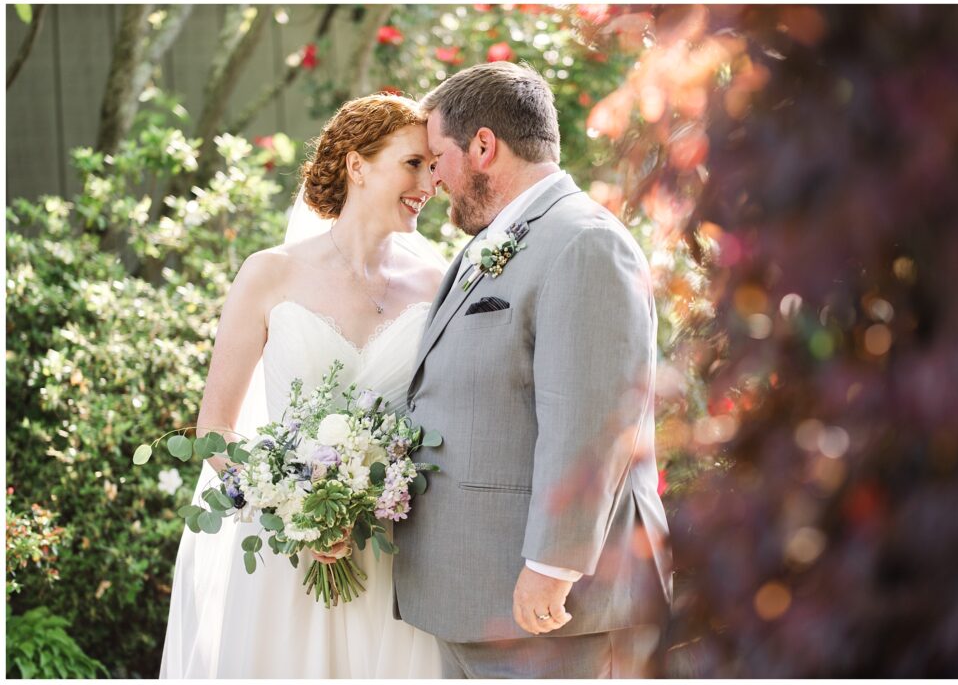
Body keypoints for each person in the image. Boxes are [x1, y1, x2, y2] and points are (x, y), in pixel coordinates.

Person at [393, 61, 674, 679]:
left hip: (551, 608)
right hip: (474, 597)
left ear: (484, 146)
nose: (434, 177)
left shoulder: (584, 242)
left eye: (438, 157)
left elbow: (595, 419)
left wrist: (553, 567)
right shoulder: (488, 242)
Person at [160, 94, 444, 678]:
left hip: (396, 560)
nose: (430, 183)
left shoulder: (438, 283)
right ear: (357, 165)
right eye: (413, 163)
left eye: (434, 166)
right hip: (286, 560)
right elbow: (214, 430)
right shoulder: (271, 273)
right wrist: (290, 510)